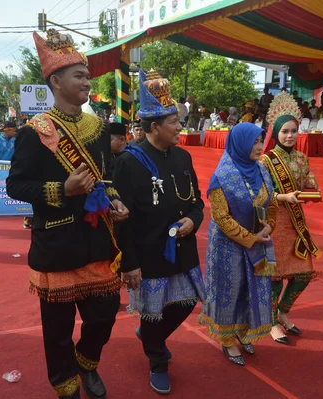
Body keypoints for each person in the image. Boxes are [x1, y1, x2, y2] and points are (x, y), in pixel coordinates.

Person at [6, 29, 129, 399]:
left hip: (96, 241)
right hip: (57, 243)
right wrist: (62, 190)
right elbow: (16, 186)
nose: (87, 82)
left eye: (88, 76)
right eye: (79, 75)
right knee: (57, 329)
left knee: (104, 316)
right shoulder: (35, 132)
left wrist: (115, 199)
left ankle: (87, 362)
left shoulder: (99, 129)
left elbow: (105, 181)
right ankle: (66, 385)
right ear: (55, 81)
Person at [113, 69, 206, 395]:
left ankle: (152, 337)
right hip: (148, 253)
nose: (181, 127)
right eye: (175, 123)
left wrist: (194, 221)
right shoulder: (129, 162)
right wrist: (129, 263)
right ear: (154, 127)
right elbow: (121, 218)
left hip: (183, 249)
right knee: (152, 313)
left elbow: (196, 202)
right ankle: (157, 359)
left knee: (186, 301)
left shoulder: (183, 156)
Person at [199, 123, 278, 366]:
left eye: (260, 141)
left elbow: (271, 202)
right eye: (254, 142)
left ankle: (243, 330)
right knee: (229, 291)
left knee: (249, 288)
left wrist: (269, 226)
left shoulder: (262, 171)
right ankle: (226, 338)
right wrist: (252, 237)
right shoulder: (222, 176)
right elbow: (221, 218)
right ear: (240, 143)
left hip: (257, 240)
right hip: (228, 245)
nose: (259, 146)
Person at [260, 94, 322, 345]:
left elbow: (307, 183)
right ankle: (271, 321)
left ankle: (283, 312)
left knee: (303, 274)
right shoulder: (265, 160)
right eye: (284, 131)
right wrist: (284, 196)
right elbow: (261, 195)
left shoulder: (301, 158)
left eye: (293, 131)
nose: (289, 136)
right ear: (275, 132)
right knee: (275, 277)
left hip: (296, 223)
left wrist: (312, 190)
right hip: (275, 222)